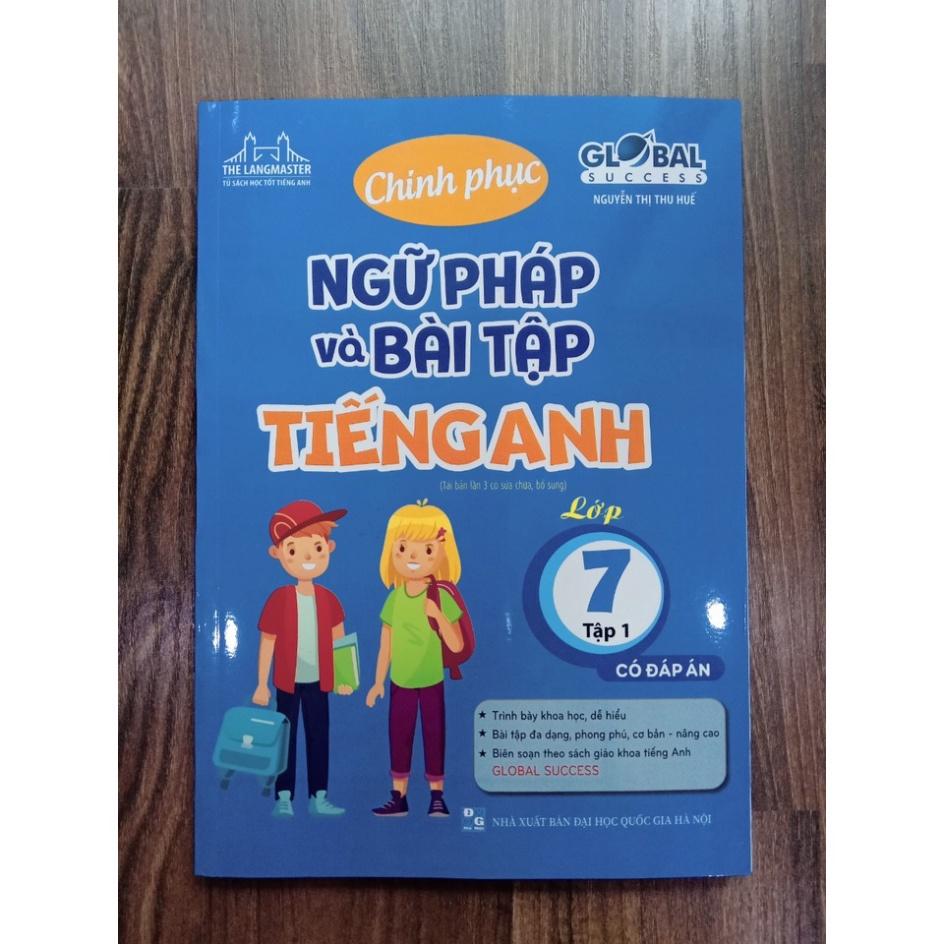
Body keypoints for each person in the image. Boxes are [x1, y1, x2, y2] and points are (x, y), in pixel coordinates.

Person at [253, 499, 353, 818]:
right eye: (295, 550)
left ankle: (318, 796)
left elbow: (340, 640)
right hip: (287, 681)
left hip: (320, 682)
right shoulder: (279, 598)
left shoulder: (329, 599)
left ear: (329, 548)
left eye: (317, 548)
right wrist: (261, 685)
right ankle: (284, 796)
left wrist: (345, 678)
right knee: (285, 738)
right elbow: (268, 642)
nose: (307, 558)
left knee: (318, 737)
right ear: (278, 553)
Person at [367, 501, 464, 818]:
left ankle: (437, 796)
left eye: (427, 549)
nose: (413, 557)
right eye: (403, 547)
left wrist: (437, 614)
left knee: (434, 736)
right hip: (401, 681)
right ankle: (399, 796)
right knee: (400, 736)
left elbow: (456, 643)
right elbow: (385, 645)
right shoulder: (394, 598)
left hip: (432, 679)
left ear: (443, 554)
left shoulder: (441, 596)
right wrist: (377, 683)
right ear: (391, 552)